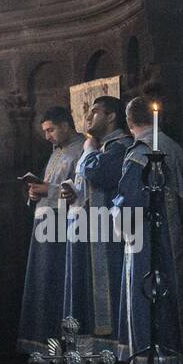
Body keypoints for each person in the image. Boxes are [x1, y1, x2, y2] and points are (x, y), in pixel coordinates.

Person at [121, 94, 183, 364]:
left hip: (147, 237)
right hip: (175, 233)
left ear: (129, 121)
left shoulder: (140, 150)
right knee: (171, 295)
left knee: (148, 296)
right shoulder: (174, 146)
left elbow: (129, 199)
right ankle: (180, 360)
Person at [60, 96, 134, 348]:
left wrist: (90, 149)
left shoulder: (121, 146)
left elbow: (98, 172)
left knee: (106, 297)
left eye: (94, 112)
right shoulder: (99, 147)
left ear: (111, 116)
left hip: (106, 237)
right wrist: (72, 191)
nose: (88, 117)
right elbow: (85, 182)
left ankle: (108, 354)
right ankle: (84, 353)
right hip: (86, 232)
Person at [17, 106, 86, 353]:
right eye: (45, 131)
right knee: (41, 283)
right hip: (44, 223)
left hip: (63, 227)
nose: (47, 136)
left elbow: (81, 191)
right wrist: (35, 192)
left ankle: (61, 350)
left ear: (66, 125)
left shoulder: (82, 149)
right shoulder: (56, 151)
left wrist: (49, 191)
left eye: (51, 130)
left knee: (56, 283)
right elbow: (49, 184)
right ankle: (43, 348)